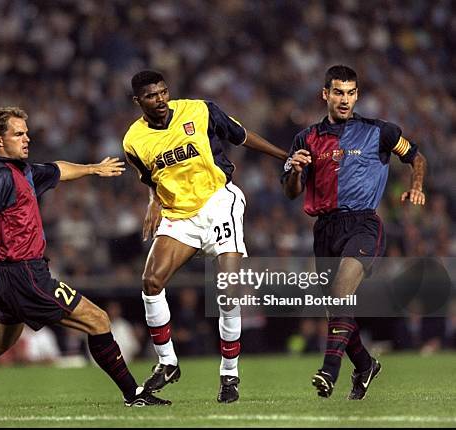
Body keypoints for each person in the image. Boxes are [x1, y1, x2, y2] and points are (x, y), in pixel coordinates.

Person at [0, 107, 170, 411]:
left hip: (8, 275)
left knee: (0, 342)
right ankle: (134, 394)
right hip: (24, 274)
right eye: (19, 134)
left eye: (26, 132)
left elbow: (57, 169)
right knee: (98, 320)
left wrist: (93, 168)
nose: (27, 138)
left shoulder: (22, 171)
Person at [122, 70, 287, 403]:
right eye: (151, 96)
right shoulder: (133, 141)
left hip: (218, 201)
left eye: (163, 92)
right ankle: (167, 363)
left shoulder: (199, 110)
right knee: (151, 282)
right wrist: (153, 201)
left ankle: (229, 374)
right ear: (137, 101)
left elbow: (242, 135)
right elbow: (149, 178)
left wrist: (284, 157)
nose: (160, 100)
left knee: (226, 290)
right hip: (179, 214)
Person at [282, 65, 427, 400]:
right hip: (325, 230)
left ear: (356, 94)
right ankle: (364, 366)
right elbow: (291, 191)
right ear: (325, 94)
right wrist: (294, 168)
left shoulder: (380, 131)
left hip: (363, 224)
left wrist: (416, 185)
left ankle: (328, 372)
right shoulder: (305, 138)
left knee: (341, 293)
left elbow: (417, 158)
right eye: (338, 92)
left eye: (350, 92)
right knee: (336, 309)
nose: (344, 99)